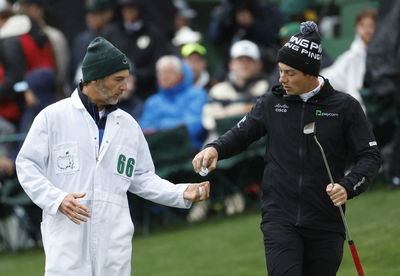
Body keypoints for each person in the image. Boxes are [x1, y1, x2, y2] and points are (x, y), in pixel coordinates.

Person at [193, 21, 381, 275]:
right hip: (280, 217)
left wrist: (348, 186)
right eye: (280, 71)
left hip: (326, 220)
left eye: (289, 73)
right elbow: (242, 133)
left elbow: (369, 157)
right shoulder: (272, 102)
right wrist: (215, 148)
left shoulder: (345, 107)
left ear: (310, 73)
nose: (281, 79)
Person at [15, 37, 210, 276]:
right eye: (118, 80)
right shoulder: (52, 118)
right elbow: (26, 164)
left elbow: (141, 177)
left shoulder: (128, 126)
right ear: (95, 78)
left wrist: (180, 192)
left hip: (114, 239)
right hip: (68, 236)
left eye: (126, 80)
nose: (125, 87)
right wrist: (56, 199)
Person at [140, 55, 208, 149]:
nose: (164, 76)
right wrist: (177, 126)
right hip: (159, 153)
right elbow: (145, 131)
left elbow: (193, 128)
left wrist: (159, 128)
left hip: (191, 151)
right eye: (161, 72)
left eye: (169, 72)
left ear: (180, 75)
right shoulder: (152, 102)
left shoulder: (196, 94)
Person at [321, 8, 377, 111]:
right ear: (356, 28)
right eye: (362, 25)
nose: (367, 30)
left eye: (371, 26)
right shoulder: (355, 56)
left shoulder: (373, 53)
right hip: (322, 92)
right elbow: (354, 93)